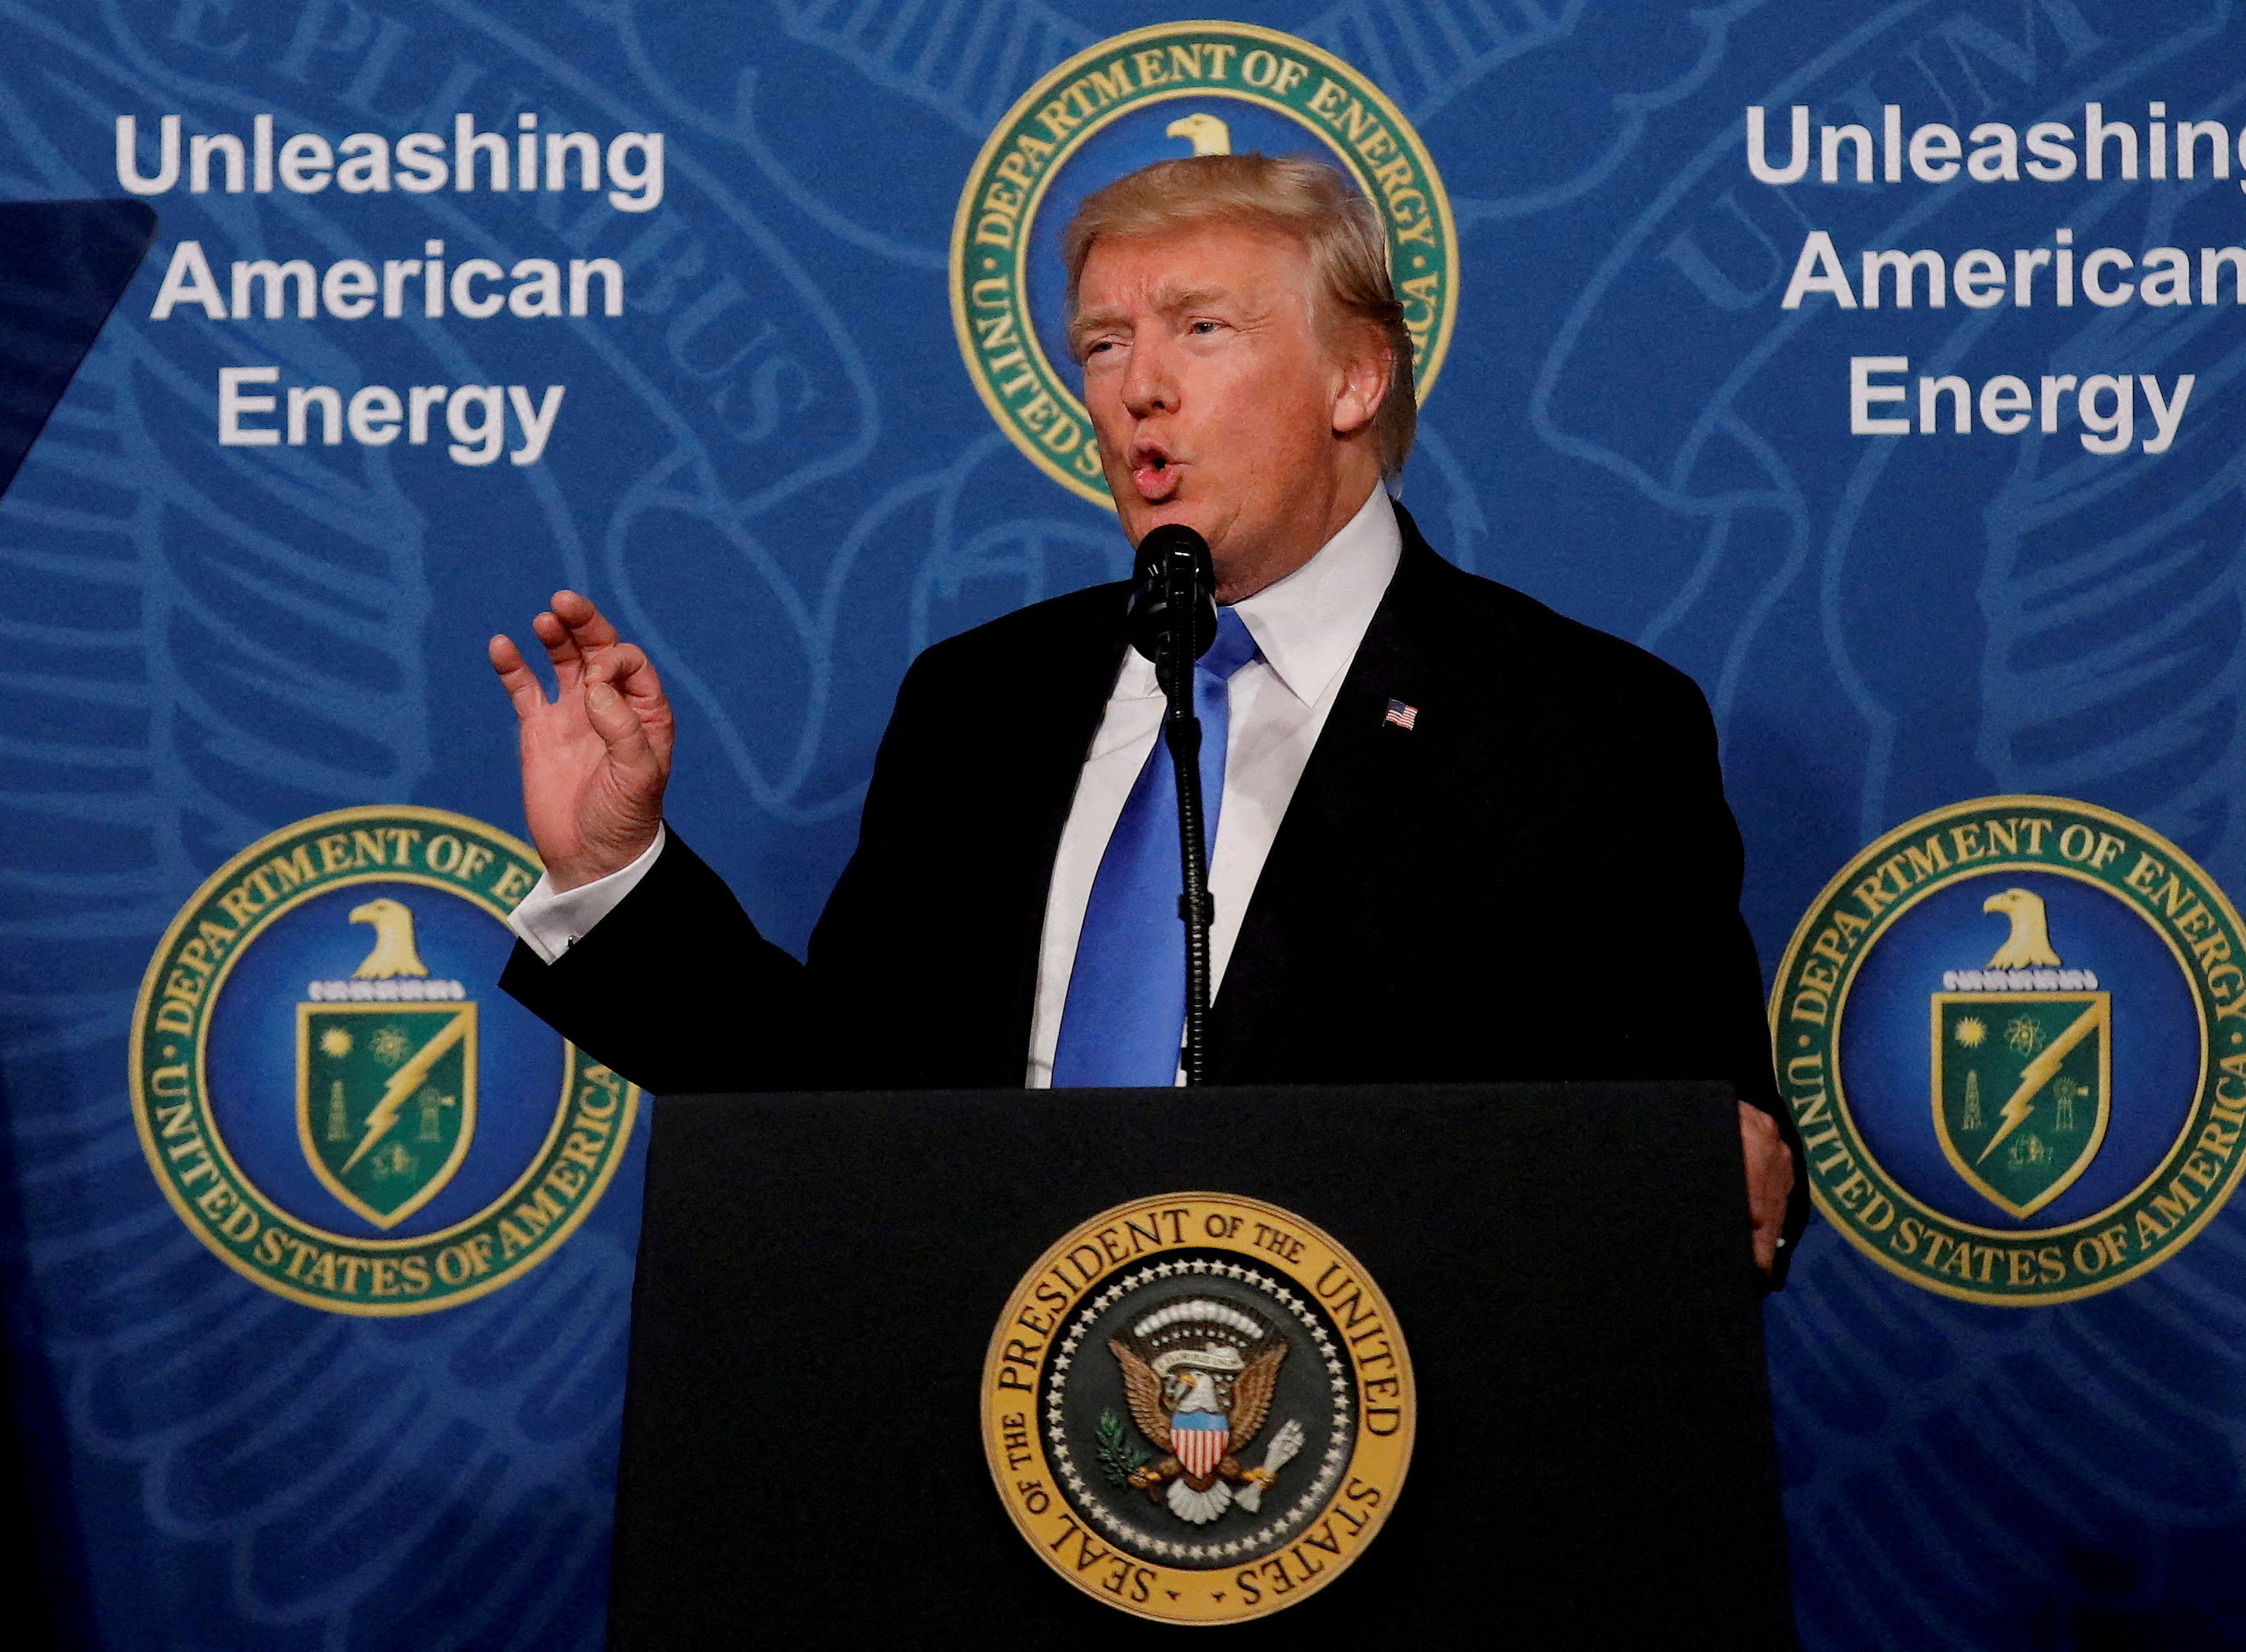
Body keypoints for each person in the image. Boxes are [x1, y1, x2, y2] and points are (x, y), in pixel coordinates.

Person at [488, 155, 1805, 1277]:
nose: (1137, 391)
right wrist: (615, 874)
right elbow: (845, 1115)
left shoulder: (1579, 726)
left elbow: (1703, 1174)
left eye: (1200, 331)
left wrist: (1692, 1159)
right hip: (1004, 1462)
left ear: (1356, 377)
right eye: (1104, 345)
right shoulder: (981, 703)